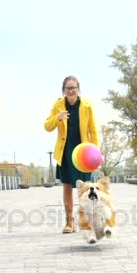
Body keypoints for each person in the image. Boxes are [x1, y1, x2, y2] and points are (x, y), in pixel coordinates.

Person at [44, 76, 99, 233]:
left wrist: (96, 153)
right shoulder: (58, 105)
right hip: (65, 152)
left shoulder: (87, 106)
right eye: (67, 88)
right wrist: (58, 118)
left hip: (84, 153)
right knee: (67, 186)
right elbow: (47, 126)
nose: (71, 91)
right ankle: (69, 222)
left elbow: (93, 131)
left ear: (78, 89)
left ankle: (85, 220)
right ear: (63, 91)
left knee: (84, 188)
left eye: (73, 88)